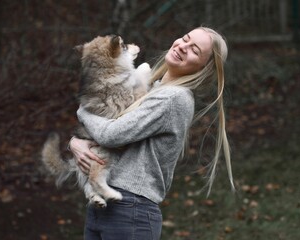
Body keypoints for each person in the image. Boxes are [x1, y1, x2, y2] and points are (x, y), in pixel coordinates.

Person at [69, 26, 235, 240]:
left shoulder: (174, 98)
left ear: (204, 68)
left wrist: (82, 111)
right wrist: (75, 143)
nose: (183, 47)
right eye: (185, 38)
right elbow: (106, 123)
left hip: (130, 209)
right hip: (104, 206)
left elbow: (110, 134)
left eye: (194, 50)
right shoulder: (152, 88)